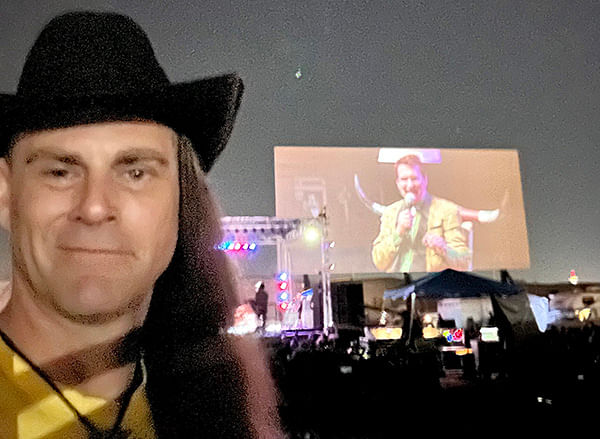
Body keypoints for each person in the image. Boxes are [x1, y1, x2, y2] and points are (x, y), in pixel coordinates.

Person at [0, 11, 280, 438]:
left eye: (134, 172)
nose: (94, 208)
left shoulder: (219, 410)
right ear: (5, 193)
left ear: (181, 199)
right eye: (60, 171)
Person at [372, 154, 471, 273]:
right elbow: (379, 262)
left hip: (431, 286)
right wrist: (398, 232)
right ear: (397, 183)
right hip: (397, 284)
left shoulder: (447, 210)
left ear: (425, 179)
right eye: (404, 179)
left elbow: (463, 262)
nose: (409, 185)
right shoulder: (391, 212)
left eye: (414, 178)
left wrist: (443, 247)